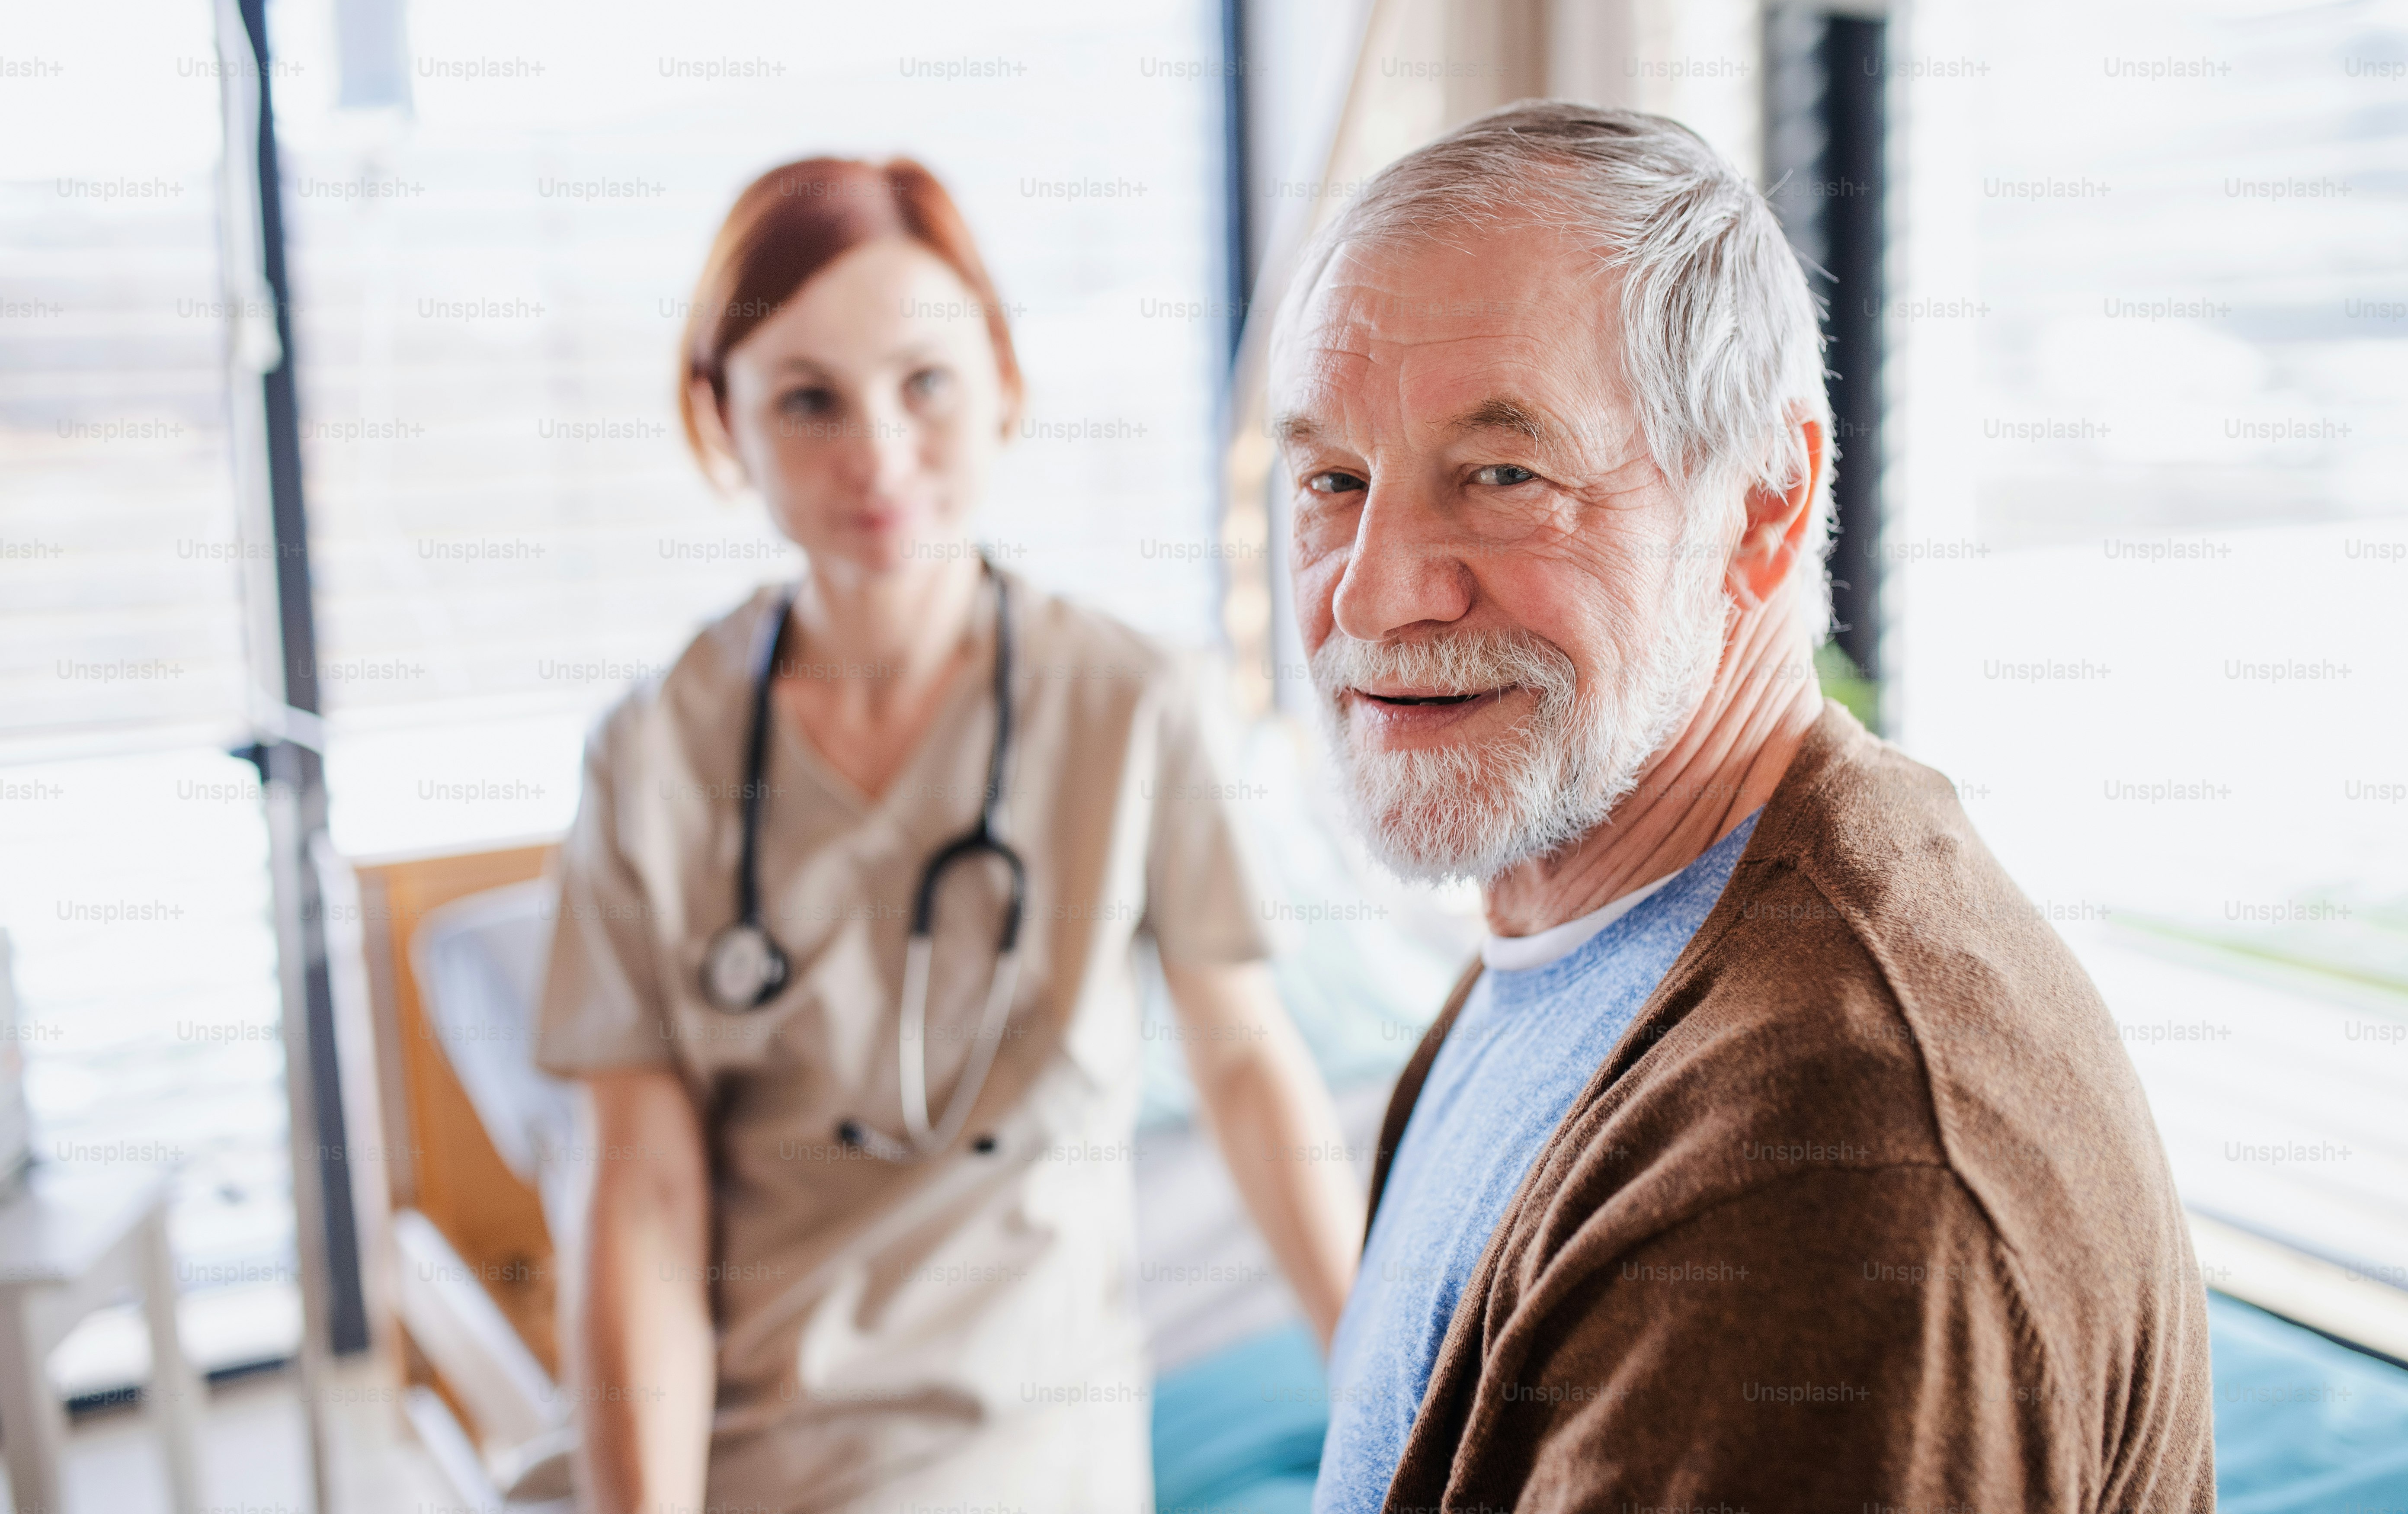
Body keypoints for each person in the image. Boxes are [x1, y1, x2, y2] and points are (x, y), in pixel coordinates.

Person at [1271, 102, 2215, 1511]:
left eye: (1506, 475)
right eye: (1335, 481)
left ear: (1767, 501)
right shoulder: (1574, 934)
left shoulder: (1821, 1168)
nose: (1373, 590)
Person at [534, 156, 1362, 1514]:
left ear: (1005, 386)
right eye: (807, 400)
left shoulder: (1132, 707)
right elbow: (638, 1193)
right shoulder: (653, 753)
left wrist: (1381, 1388)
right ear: (722, 421)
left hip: (1035, 1455)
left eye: (925, 385)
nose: (875, 456)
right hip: (757, 1457)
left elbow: (1246, 1059)